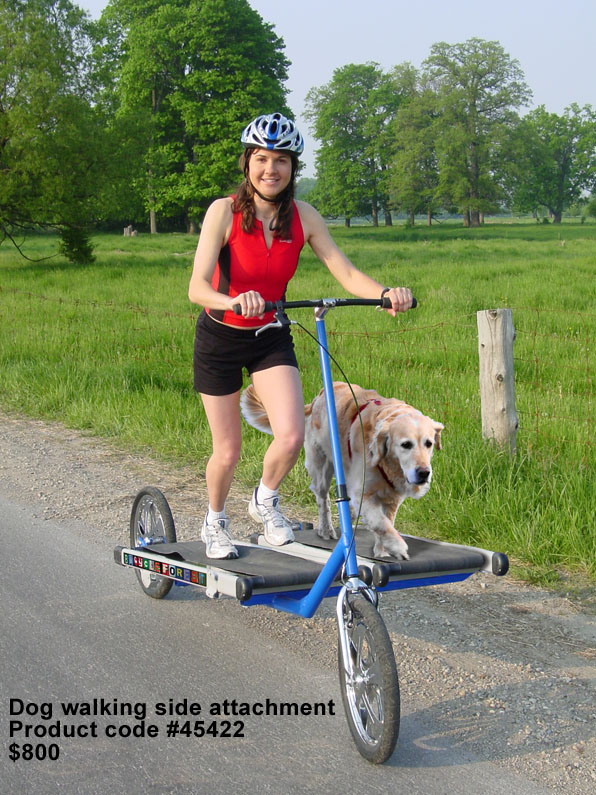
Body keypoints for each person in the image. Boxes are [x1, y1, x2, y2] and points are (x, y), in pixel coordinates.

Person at [188, 112, 413, 559]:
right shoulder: (224, 212)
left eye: (281, 161)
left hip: (270, 334)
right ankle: (214, 521)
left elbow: (345, 271)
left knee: (291, 435)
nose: (271, 169)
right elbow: (197, 287)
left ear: (293, 168)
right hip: (221, 337)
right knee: (228, 451)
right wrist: (233, 301)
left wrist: (385, 293)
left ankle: (265, 501)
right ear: (247, 164)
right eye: (261, 159)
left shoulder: (303, 217)